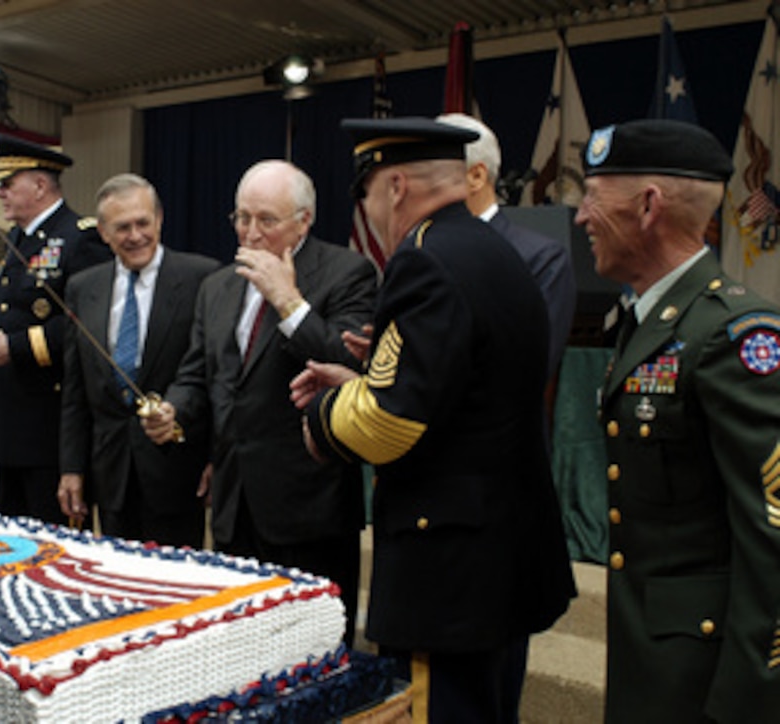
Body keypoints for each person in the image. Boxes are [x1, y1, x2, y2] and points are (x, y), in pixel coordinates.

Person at [292, 118, 575, 722]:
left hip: (449, 561)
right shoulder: (493, 249)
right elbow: (465, 386)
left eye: (365, 194)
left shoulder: (426, 260)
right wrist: (367, 383)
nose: (367, 211)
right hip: (500, 546)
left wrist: (321, 417)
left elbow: (389, 425)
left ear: (394, 187)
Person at [575, 118, 780, 723]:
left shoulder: (731, 335)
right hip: (653, 654)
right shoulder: (646, 320)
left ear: (647, 206)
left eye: (592, 197)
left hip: (706, 677)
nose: (582, 217)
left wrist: (747, 702)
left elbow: (772, 538)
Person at [140, 159, 376, 644]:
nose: (250, 232)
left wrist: (287, 300)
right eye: (241, 218)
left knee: (312, 648)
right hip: (234, 501)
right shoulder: (218, 286)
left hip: (309, 505)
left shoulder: (347, 272)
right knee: (243, 643)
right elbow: (198, 374)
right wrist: (174, 410)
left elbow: (346, 368)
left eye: (266, 220)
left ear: (303, 220)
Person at [0, 134, 111, 524]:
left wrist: (15, 347)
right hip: (11, 414)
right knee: (11, 534)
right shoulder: (16, 238)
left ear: (40, 185)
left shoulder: (81, 237)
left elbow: (89, 323)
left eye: (7, 184)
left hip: (50, 420)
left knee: (52, 539)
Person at [58, 174, 218, 545]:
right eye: (122, 227)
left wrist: (215, 458)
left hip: (179, 472)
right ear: (103, 232)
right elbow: (75, 390)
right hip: (109, 473)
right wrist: (71, 468)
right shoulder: (84, 288)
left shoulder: (202, 278)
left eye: (143, 223)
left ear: (159, 218)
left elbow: (214, 378)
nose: (135, 236)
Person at [438, 112, 577, 385]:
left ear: (476, 176)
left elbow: (530, 365)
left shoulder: (539, 259)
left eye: (433, 176)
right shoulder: (417, 250)